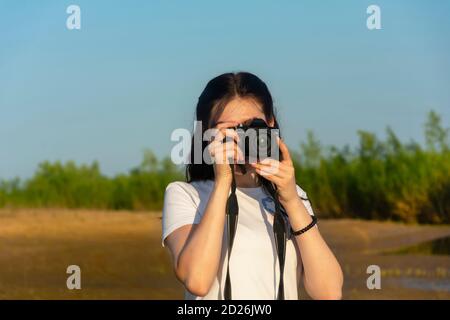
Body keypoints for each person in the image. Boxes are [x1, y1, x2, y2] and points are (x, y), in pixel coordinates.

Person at [161, 72, 343, 300]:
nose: (240, 137)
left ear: (270, 125)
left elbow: (329, 292)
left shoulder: (292, 197)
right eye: (228, 130)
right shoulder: (186, 194)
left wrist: (292, 201)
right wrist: (222, 184)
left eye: (250, 127)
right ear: (206, 134)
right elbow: (197, 280)